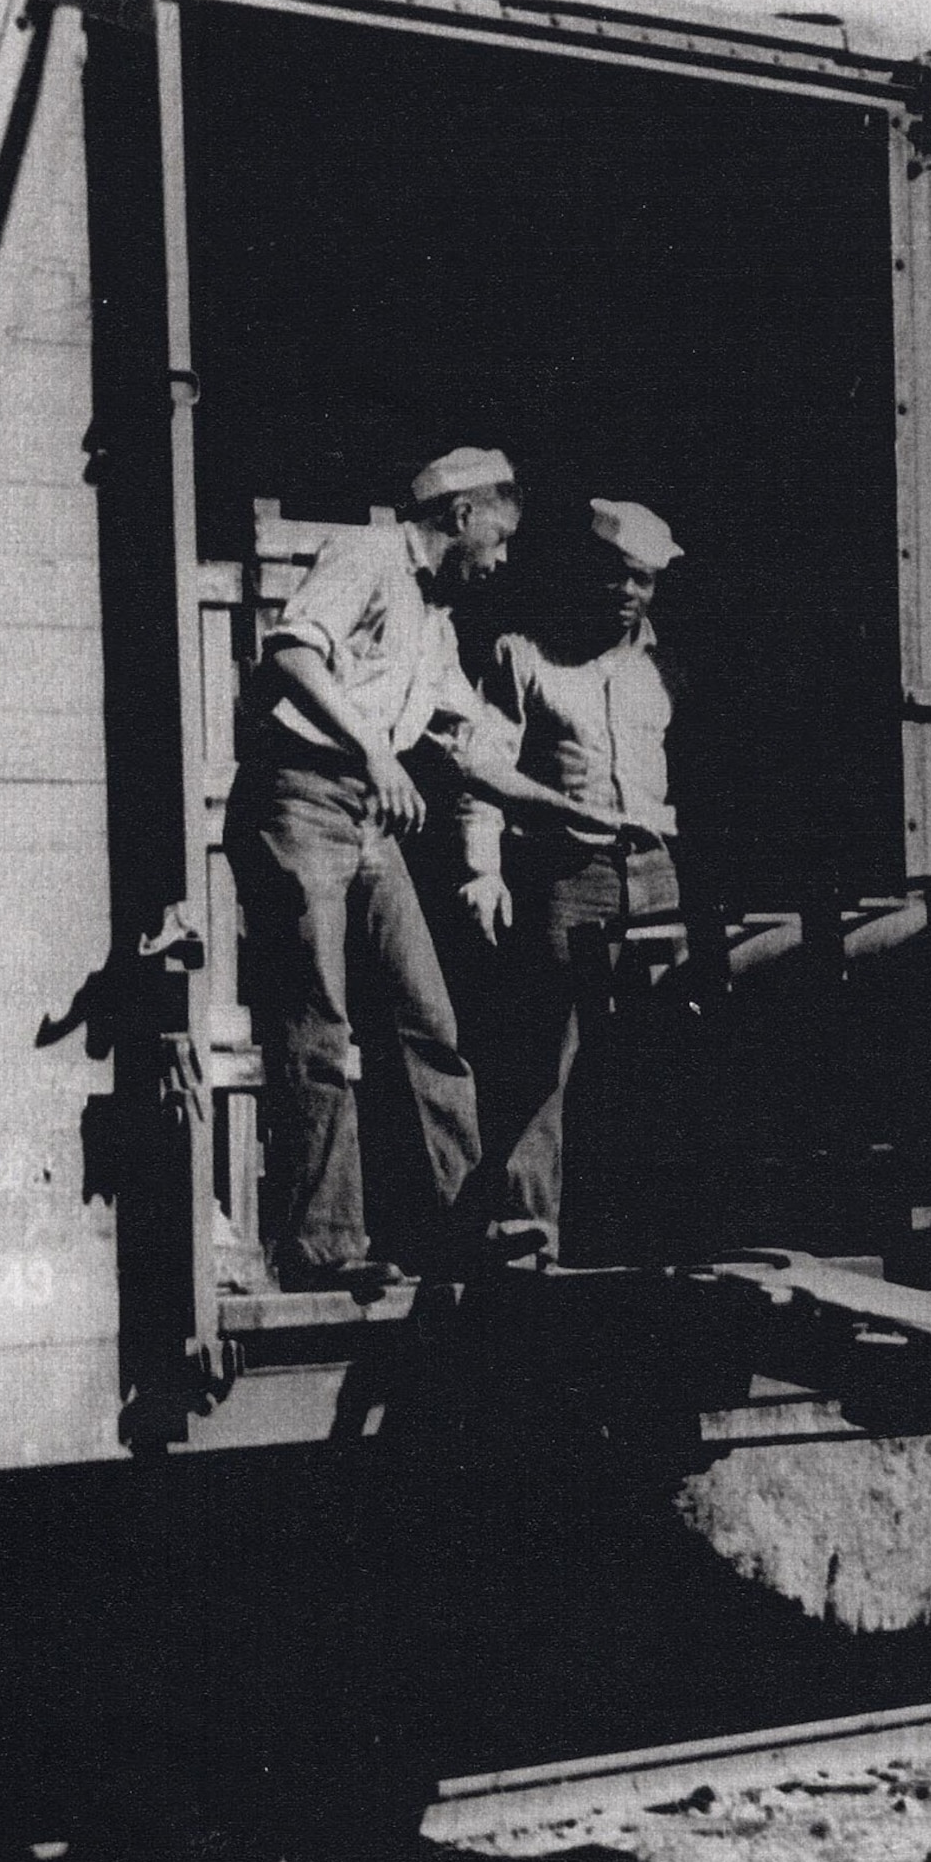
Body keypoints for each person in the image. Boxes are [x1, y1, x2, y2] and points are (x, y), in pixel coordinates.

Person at [226, 446, 522, 1293]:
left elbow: (473, 735)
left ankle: (466, 1225)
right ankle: (323, 1246)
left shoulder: (439, 620)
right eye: (496, 538)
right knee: (318, 1018)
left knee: (426, 1011)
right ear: (461, 516)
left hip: (365, 812)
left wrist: (556, 798)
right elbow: (290, 654)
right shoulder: (365, 557)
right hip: (302, 795)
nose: (498, 561)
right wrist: (373, 751)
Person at [453, 498, 687, 1264]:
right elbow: (481, 767)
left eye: (644, 581)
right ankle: (530, 1234)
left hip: (653, 878)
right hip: (565, 875)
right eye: (617, 575)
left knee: (651, 1052)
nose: (628, 593)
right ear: (588, 570)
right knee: (544, 1056)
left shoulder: (666, 668)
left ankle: (641, 1229)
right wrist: (483, 867)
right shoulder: (524, 655)